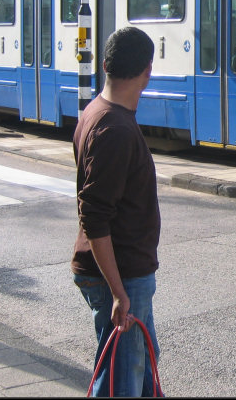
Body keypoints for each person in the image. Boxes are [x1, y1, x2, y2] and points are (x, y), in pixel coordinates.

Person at [72, 26, 162, 397]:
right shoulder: (116, 129)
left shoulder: (96, 111)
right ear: (147, 72)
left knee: (141, 365)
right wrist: (117, 292)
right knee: (120, 381)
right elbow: (94, 216)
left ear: (105, 64)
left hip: (123, 272)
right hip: (121, 275)